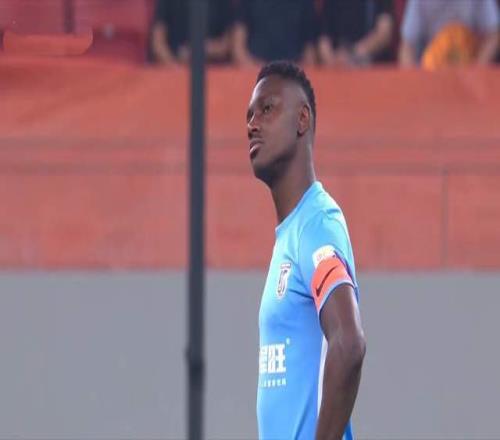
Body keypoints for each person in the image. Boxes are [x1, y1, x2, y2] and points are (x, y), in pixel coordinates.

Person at [247, 61, 366, 439]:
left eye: (267, 109)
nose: (252, 125)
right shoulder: (292, 233)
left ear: (302, 120)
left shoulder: (317, 223)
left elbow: (348, 343)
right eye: (249, 116)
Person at [399, 0, 500, 67]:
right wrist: (413, 82)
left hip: (470, 70)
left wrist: (477, 70)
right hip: (430, 72)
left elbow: (494, 34)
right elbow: (407, 46)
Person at [233, 0, 318, 66]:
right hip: (252, 71)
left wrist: (297, 76)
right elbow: (238, 46)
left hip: (292, 74)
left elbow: (310, 51)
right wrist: (253, 70)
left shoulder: (305, 2)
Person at [149, 0, 233, 65]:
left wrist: (200, 50)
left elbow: (227, 45)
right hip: (173, 71)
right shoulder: (167, 2)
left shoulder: (222, 2)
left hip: (214, 73)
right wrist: (175, 68)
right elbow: (158, 45)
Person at [318, 0, 395, 67]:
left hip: (374, 67)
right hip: (338, 68)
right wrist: (331, 61)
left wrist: (353, 54)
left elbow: (384, 34)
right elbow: (324, 37)